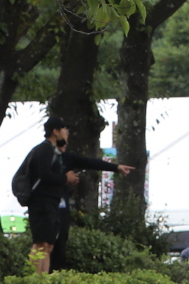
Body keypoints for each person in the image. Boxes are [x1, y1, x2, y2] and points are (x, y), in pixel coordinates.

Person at [13, 117, 129, 274]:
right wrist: (65, 178)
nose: (67, 133)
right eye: (65, 129)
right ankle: (32, 279)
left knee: (48, 245)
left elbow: (89, 162)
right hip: (41, 202)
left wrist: (116, 167)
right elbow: (45, 175)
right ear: (55, 131)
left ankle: (42, 281)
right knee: (40, 243)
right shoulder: (44, 150)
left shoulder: (57, 153)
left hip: (51, 203)